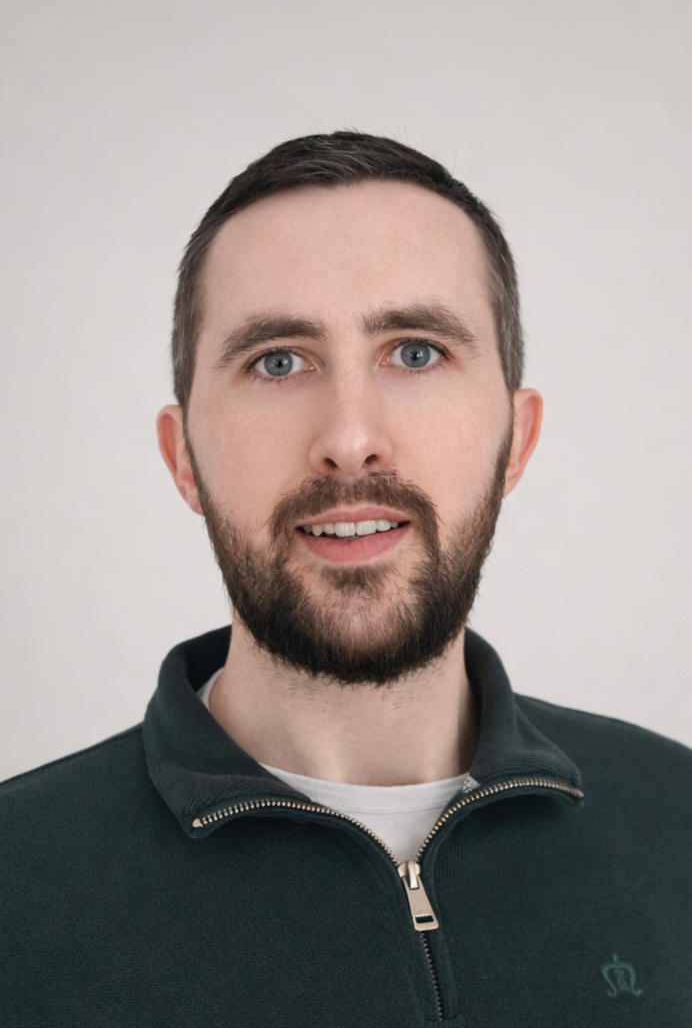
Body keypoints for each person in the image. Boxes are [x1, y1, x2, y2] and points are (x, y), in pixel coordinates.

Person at [1, 133, 690, 1028]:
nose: (351, 436)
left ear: (514, 441)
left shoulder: (679, 823)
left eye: (415, 352)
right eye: (278, 360)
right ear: (186, 461)